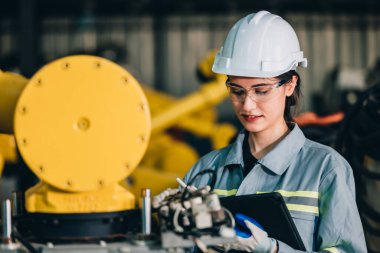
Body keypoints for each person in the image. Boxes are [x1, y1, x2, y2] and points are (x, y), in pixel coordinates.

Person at [183, 10, 367, 253]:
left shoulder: (326, 169)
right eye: (237, 91)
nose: (247, 105)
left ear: (290, 85)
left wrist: (273, 250)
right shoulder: (205, 172)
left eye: (261, 91)